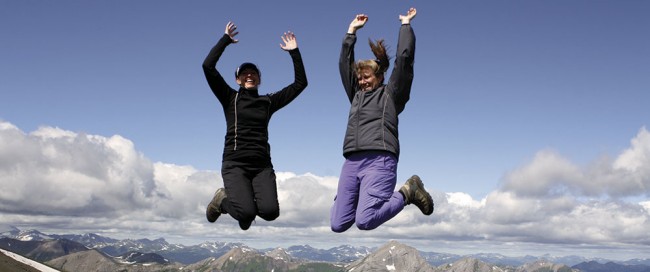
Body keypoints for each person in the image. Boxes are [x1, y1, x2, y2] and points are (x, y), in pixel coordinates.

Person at [330, 7, 434, 233]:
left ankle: (409, 191)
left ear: (380, 77)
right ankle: (359, 196)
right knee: (338, 224)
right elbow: (342, 66)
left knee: (365, 221)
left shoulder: (391, 95)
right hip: (351, 162)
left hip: (380, 158)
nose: (362, 81)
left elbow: (404, 61)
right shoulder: (356, 96)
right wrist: (351, 32)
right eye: (359, 78)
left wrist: (406, 25)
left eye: (366, 77)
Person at [203, 21, 308, 230]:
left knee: (270, 213)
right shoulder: (230, 98)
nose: (249, 75)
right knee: (247, 216)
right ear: (238, 79)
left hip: (261, 165)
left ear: (259, 79)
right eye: (244, 73)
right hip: (235, 164)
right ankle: (221, 199)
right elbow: (208, 66)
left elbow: (300, 84)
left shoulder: (267, 102)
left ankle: (243, 210)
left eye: (253, 73)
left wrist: (294, 52)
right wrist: (225, 40)